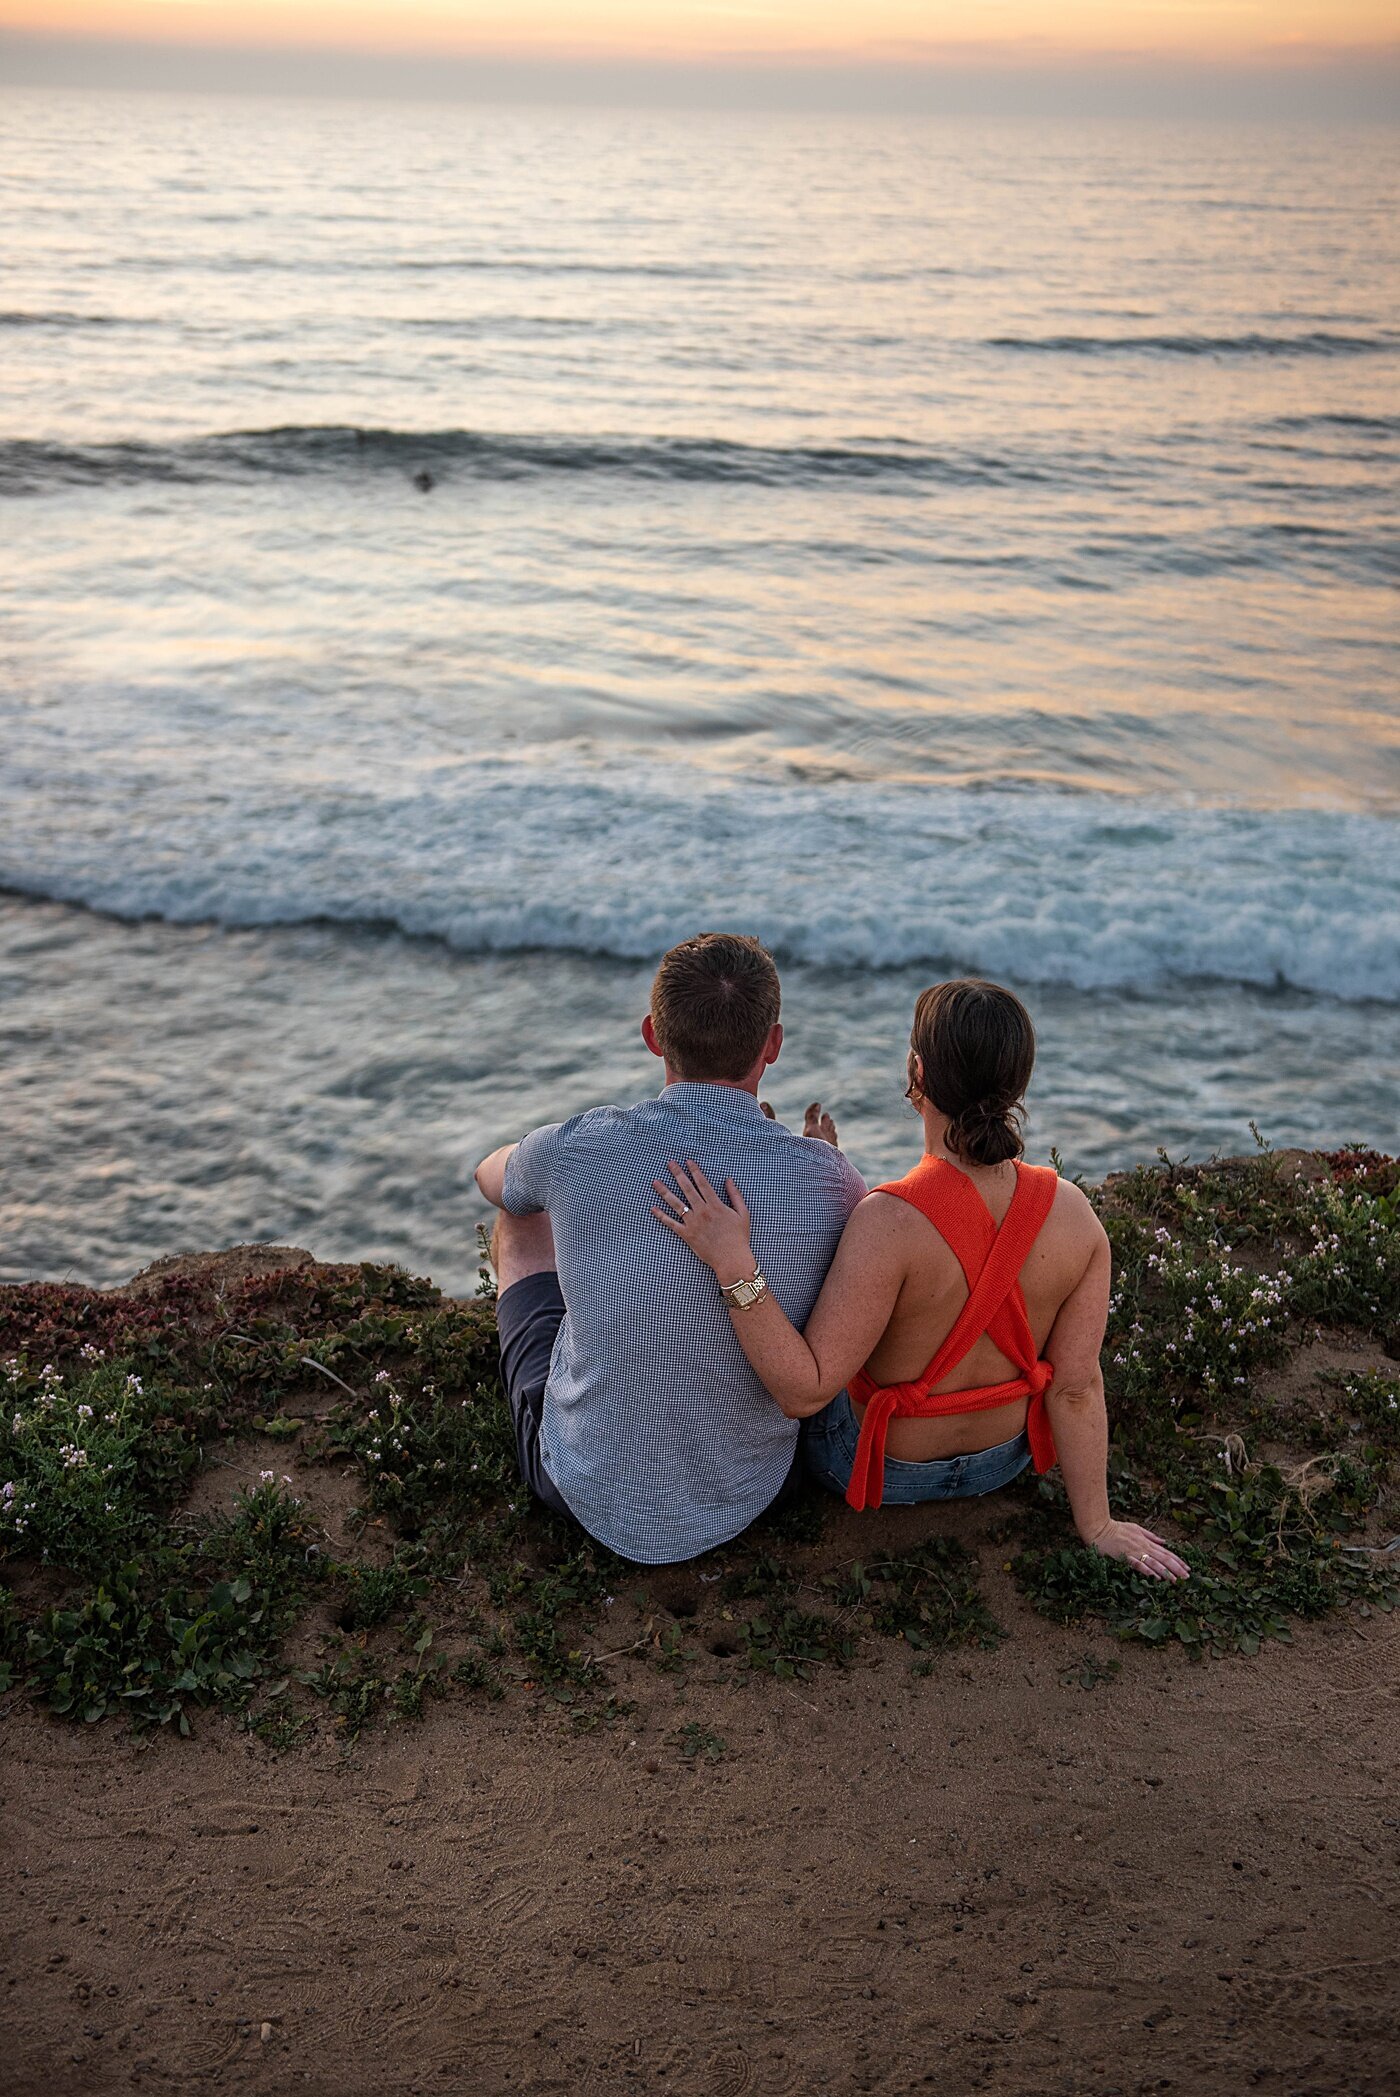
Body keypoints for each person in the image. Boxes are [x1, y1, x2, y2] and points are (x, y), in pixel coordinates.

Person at [653, 977, 1189, 1582]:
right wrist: (1097, 1525)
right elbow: (1075, 1389)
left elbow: (804, 1392)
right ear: (1018, 1083)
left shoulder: (886, 1222)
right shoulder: (1075, 1218)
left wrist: (737, 1265)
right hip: (1000, 1462)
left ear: (917, 1073)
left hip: (880, 1467)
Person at [473, 932, 867, 1566]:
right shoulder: (829, 1179)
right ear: (773, 1045)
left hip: (583, 1488)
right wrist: (819, 1160)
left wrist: (539, 1164)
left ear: (653, 1035)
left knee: (520, 1220)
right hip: (750, 1492)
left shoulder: (582, 1143)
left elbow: (491, 1179)